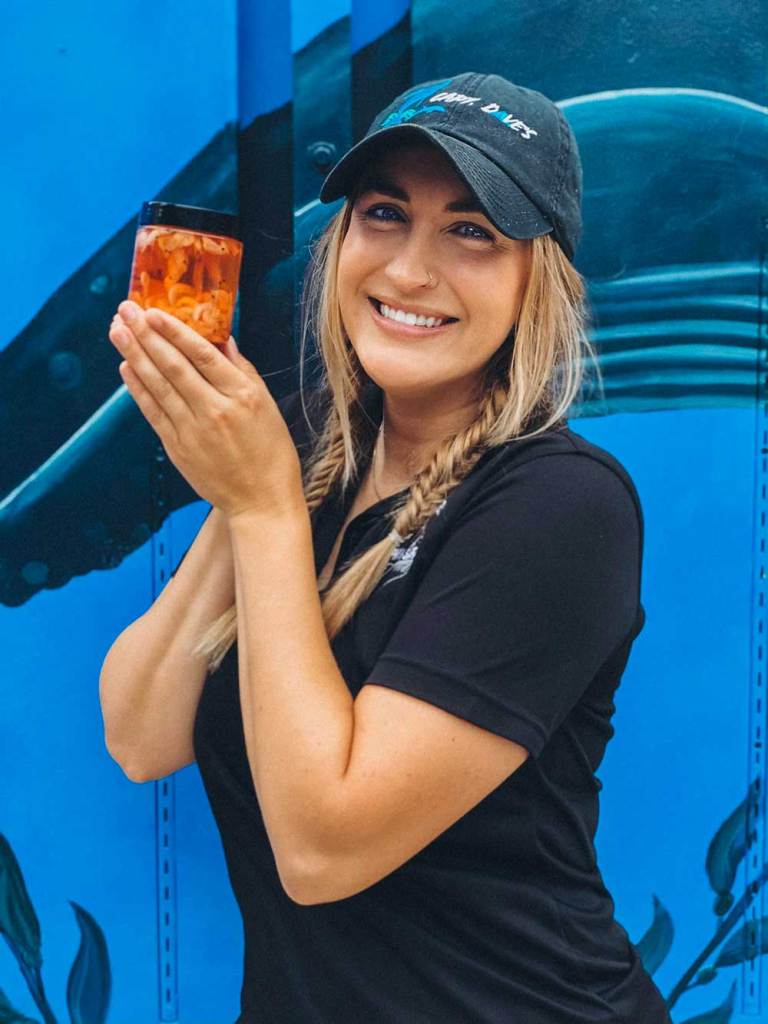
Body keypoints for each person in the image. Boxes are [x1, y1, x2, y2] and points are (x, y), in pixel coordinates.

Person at [104, 72, 672, 1023]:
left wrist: (263, 506)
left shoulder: (561, 505)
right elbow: (141, 734)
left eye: (471, 231)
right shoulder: (308, 448)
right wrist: (252, 485)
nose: (410, 270)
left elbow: (322, 850)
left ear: (537, 278)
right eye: (384, 214)